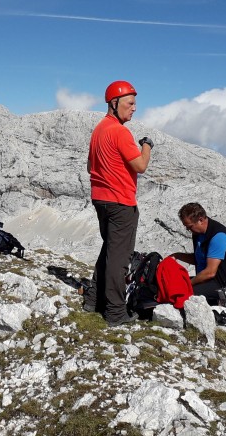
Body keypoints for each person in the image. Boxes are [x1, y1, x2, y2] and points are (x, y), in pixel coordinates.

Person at [84, 80, 153, 327]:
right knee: (119, 257)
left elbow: (91, 166)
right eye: (130, 103)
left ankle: (93, 300)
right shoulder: (120, 132)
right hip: (120, 201)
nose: (134, 108)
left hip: (100, 199)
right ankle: (115, 312)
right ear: (115, 103)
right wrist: (147, 146)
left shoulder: (99, 130)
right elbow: (140, 166)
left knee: (109, 250)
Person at [171, 202, 226, 308]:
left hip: (224, 285)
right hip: (211, 281)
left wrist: (188, 283)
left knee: (181, 292)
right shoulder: (198, 234)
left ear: (201, 220)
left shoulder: (218, 237)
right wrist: (177, 256)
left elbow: (210, 272)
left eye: (189, 227)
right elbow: (200, 259)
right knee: (174, 285)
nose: (188, 230)